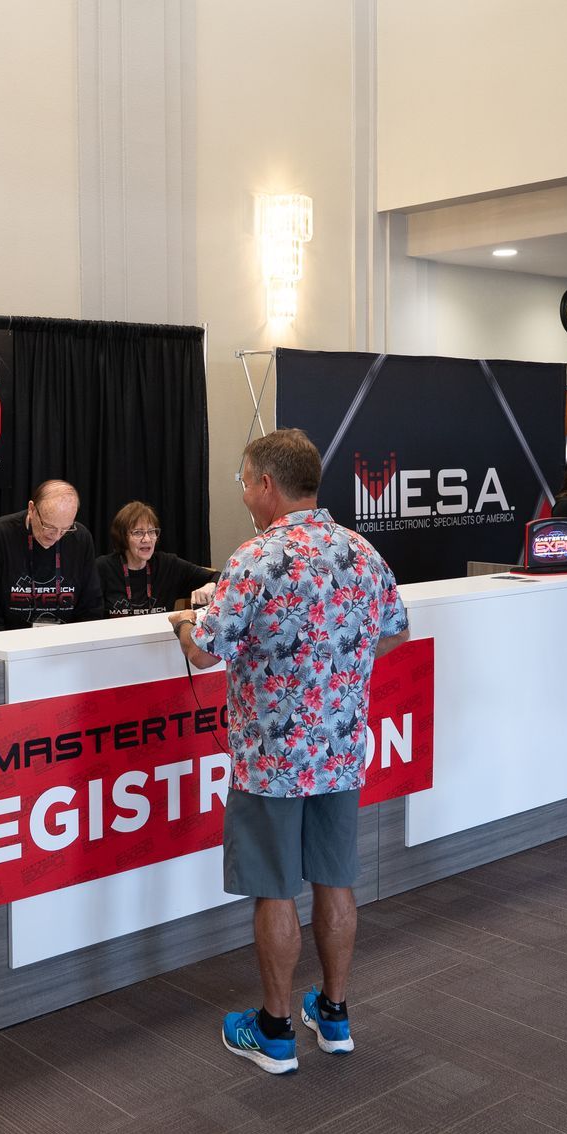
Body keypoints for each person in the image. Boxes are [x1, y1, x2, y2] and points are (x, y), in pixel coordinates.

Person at [168, 429, 406, 1076]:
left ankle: (274, 1031)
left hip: (272, 757)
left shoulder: (256, 559)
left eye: (245, 482)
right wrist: (336, 668)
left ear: (267, 485)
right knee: (336, 879)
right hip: (339, 750)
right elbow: (394, 630)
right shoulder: (359, 551)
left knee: (274, 891)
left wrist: (183, 620)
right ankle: (333, 1015)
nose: (244, 494)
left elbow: (206, 650)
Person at [0, 480, 103, 632]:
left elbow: (91, 606)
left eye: (65, 529)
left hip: (65, 644)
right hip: (8, 642)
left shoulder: (81, 538)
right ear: (31, 509)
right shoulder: (0, 535)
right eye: (49, 527)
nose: (56, 536)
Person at [95, 502, 216, 616]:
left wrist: (211, 585)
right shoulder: (103, 568)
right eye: (138, 533)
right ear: (122, 537)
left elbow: (222, 577)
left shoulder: (168, 565)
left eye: (152, 532)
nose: (147, 539)